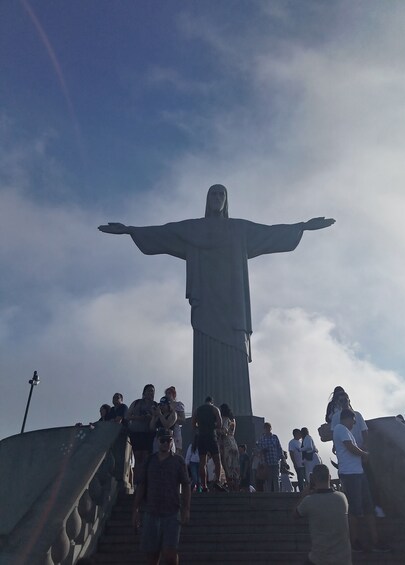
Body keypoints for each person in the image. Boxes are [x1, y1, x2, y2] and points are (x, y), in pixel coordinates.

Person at [99, 185, 335, 415]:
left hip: (233, 304)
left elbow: (269, 232)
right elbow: (164, 232)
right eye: (213, 193)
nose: (217, 197)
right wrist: (131, 230)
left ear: (226, 200)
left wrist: (302, 227)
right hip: (206, 303)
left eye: (221, 193)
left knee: (235, 348)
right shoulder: (193, 229)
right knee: (205, 352)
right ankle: (205, 409)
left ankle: (238, 411)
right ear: (207, 199)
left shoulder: (239, 229)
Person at [333, 408, 389, 553]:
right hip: (350, 474)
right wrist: (364, 454)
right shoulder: (340, 429)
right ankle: (354, 541)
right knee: (355, 510)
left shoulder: (347, 431)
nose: (354, 423)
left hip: (358, 472)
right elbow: (350, 447)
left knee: (368, 507)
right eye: (353, 420)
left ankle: (375, 540)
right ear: (348, 418)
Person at [133, 428, 191, 565]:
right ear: (157, 441)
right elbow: (142, 485)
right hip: (151, 512)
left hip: (172, 512)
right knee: (152, 556)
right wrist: (135, 509)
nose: (165, 443)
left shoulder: (178, 461)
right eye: (162, 440)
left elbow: (186, 485)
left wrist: (186, 508)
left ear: (172, 442)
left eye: (168, 440)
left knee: (170, 555)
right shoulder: (149, 461)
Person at [295, 464, 352, 565]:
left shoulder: (309, 501)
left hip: (319, 559)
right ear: (329, 478)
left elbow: (295, 514)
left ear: (313, 479)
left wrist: (305, 492)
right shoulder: (342, 498)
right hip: (343, 559)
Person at [192, 396, 223, 491]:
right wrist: (212, 425)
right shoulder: (214, 409)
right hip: (211, 436)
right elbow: (220, 424)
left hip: (202, 436)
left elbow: (193, 425)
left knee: (202, 462)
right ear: (211, 402)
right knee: (217, 460)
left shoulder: (197, 410)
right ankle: (217, 481)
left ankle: (204, 485)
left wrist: (200, 427)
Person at [127, 384, 157, 483]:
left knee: (146, 458)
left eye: (152, 391)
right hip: (136, 432)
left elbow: (158, 417)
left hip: (148, 433)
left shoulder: (155, 405)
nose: (151, 393)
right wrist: (139, 418)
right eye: (149, 391)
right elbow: (128, 416)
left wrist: (151, 416)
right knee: (137, 457)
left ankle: (145, 482)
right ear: (144, 393)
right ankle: (137, 483)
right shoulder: (136, 403)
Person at [218, 403, 240, 491]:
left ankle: (230, 487)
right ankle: (236, 487)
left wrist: (216, 430)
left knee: (227, 466)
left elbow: (224, 431)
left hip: (226, 444)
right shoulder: (233, 420)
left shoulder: (225, 419)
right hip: (233, 443)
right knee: (235, 467)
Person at [257, 422, 283, 492]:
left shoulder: (275, 437)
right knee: (268, 480)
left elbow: (279, 448)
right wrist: (263, 452)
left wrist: (282, 458)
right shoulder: (262, 439)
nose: (267, 429)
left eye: (268, 427)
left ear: (271, 428)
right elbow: (259, 451)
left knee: (276, 479)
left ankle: (277, 494)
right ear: (264, 429)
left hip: (275, 461)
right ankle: (269, 495)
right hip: (267, 462)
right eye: (266, 428)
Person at [164, 386, 185, 455]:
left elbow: (182, 419)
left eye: (169, 393)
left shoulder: (178, 404)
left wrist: (173, 416)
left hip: (175, 429)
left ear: (174, 395)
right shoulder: (163, 404)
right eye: (166, 393)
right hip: (165, 429)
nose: (167, 395)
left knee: (176, 451)